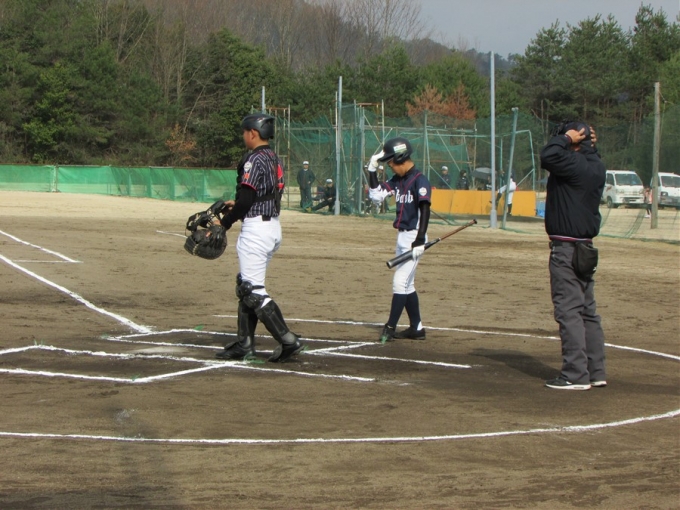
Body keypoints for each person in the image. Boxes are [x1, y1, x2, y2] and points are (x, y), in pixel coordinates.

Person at [214, 113, 305, 363]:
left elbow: (246, 199)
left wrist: (225, 222)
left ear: (253, 133)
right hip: (271, 227)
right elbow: (260, 195)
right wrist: (237, 206)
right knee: (246, 284)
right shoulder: (273, 157)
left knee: (252, 290)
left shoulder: (253, 159)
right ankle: (245, 344)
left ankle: (288, 340)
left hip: (256, 229)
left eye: (245, 132)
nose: (244, 136)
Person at [539, 120, 606, 390]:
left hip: (566, 248)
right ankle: (595, 371)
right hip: (585, 248)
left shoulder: (573, 163)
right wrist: (587, 143)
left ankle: (575, 374)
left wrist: (567, 138)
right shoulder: (596, 165)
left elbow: (548, 156)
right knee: (588, 312)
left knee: (569, 311)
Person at [367, 137, 432, 342]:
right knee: (408, 285)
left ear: (401, 158)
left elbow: (425, 209)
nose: (390, 167)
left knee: (400, 282)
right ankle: (417, 328)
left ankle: (390, 327)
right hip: (402, 237)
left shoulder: (420, 180)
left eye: (391, 162)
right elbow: (376, 196)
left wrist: (420, 239)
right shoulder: (397, 180)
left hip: (414, 236)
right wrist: (371, 169)